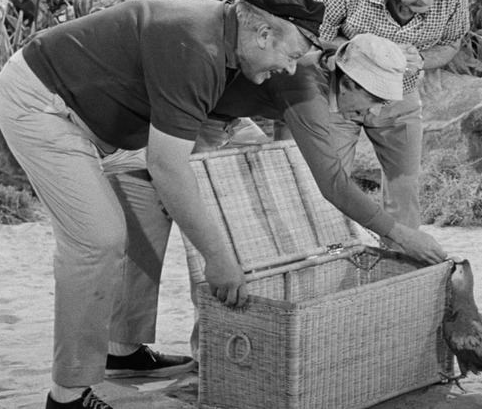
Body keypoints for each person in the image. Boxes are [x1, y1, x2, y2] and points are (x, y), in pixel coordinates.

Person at [0, 0, 324, 409]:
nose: (290, 67)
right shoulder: (197, 45)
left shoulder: (221, 38)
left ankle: (121, 347)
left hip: (103, 120)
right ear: (262, 34)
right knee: (98, 240)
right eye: (291, 55)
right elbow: (169, 167)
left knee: (147, 199)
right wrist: (218, 259)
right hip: (42, 104)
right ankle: (68, 396)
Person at [183, 33, 450, 356]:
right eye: (375, 100)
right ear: (349, 83)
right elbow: (333, 184)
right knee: (213, 225)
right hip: (198, 118)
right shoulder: (306, 91)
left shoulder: (327, 68)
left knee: (268, 191)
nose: (376, 114)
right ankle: (208, 352)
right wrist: (402, 235)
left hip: (234, 118)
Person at [311, 0, 470, 246]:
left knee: (404, 188)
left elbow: (451, 42)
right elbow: (312, 32)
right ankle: (330, 258)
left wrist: (420, 58)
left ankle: (400, 262)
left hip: (402, 94)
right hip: (342, 93)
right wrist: (372, 52)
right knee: (327, 181)